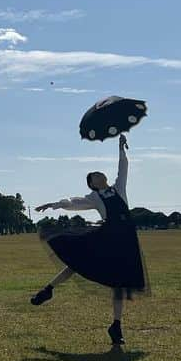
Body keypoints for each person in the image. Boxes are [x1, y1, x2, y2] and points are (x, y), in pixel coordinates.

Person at [31, 133, 148, 345]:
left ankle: (116, 326)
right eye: (93, 175)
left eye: (97, 172)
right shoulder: (95, 197)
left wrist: (121, 147)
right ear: (93, 184)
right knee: (76, 263)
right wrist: (54, 204)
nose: (98, 174)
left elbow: (123, 167)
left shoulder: (118, 188)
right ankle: (48, 290)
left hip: (126, 240)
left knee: (120, 284)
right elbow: (73, 202)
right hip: (107, 236)